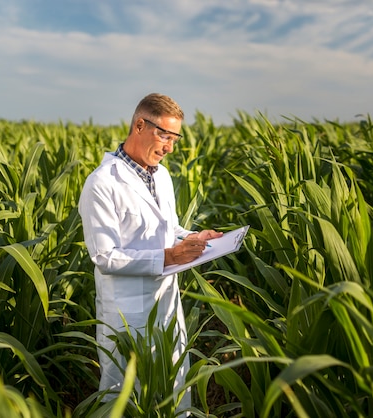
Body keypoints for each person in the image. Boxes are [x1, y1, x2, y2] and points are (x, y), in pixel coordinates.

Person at [78, 93, 222, 413]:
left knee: (174, 389)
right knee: (125, 398)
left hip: (166, 304)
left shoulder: (162, 176)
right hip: (127, 313)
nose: (170, 147)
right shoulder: (102, 183)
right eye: (164, 135)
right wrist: (171, 257)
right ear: (140, 124)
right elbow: (104, 256)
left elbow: (167, 230)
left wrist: (194, 237)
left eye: (175, 138)